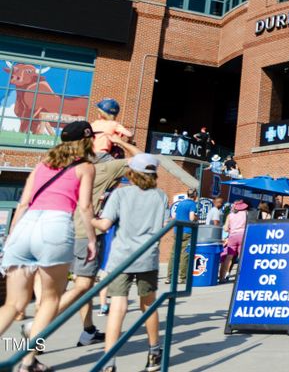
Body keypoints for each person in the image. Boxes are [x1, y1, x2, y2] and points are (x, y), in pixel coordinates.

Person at [0, 120, 98, 372]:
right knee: (49, 300)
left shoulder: (42, 164)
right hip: (55, 226)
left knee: (13, 305)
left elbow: (22, 204)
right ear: (86, 141)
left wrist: (11, 238)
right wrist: (91, 239)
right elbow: (85, 206)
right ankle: (28, 362)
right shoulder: (85, 167)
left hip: (26, 225)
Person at [57, 135, 142, 349]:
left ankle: (88, 331)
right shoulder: (106, 167)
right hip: (86, 233)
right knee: (83, 285)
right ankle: (38, 325)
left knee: (78, 286)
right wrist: (122, 142)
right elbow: (143, 159)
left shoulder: (72, 168)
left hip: (61, 230)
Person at [92, 153, 168, 372]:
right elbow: (163, 227)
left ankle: (109, 361)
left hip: (121, 257)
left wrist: (89, 217)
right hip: (147, 256)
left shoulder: (120, 194)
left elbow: (104, 225)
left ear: (131, 173)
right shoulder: (160, 196)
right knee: (149, 304)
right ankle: (154, 353)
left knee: (118, 305)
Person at [91, 99, 133, 164]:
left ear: (101, 113)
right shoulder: (114, 124)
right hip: (102, 155)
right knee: (119, 166)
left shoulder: (94, 123)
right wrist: (130, 141)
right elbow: (130, 134)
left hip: (89, 154)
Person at [170, 189, 198, 284]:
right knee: (184, 254)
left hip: (177, 230)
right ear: (195, 196)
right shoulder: (192, 204)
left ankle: (169, 277)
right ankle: (183, 277)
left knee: (174, 254)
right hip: (187, 231)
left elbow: (174, 216)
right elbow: (191, 218)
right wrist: (196, 218)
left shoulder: (180, 203)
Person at [219, 201, 248, 282]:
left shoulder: (230, 215)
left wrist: (231, 229)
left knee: (229, 257)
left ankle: (222, 277)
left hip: (232, 236)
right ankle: (243, 277)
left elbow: (225, 228)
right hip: (243, 235)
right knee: (242, 257)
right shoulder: (246, 214)